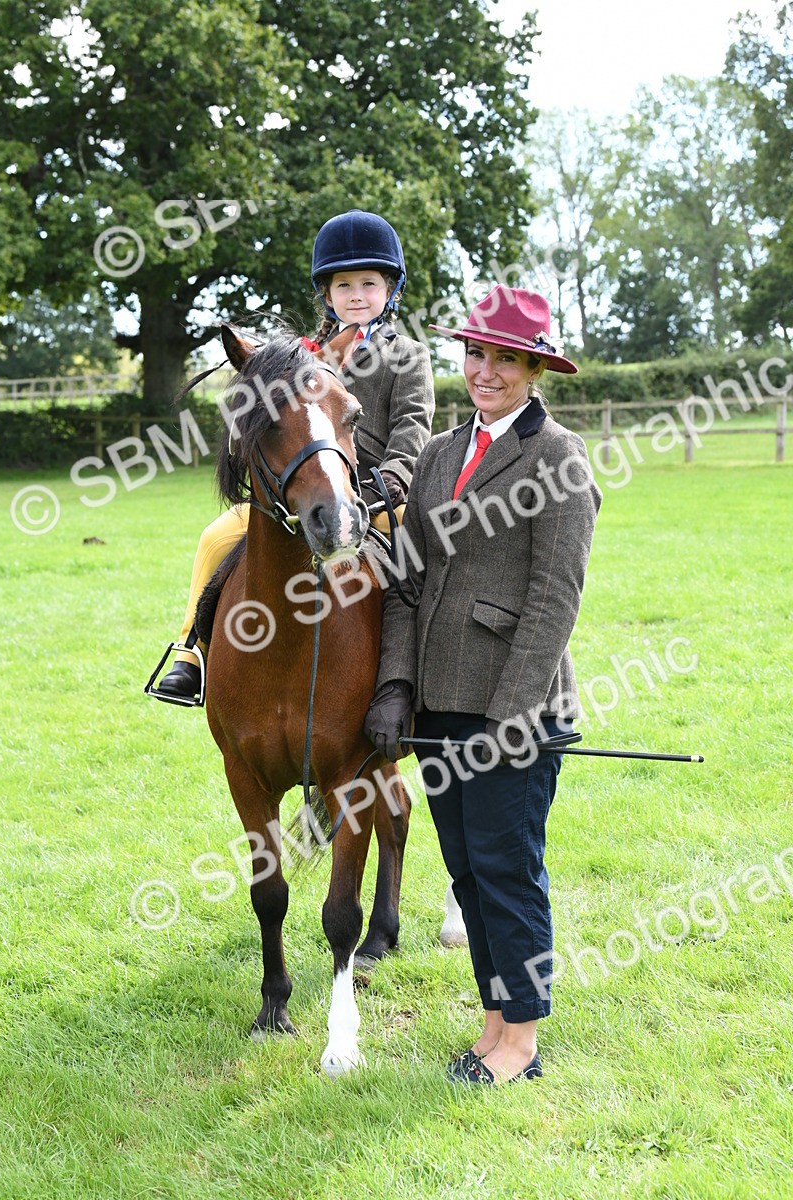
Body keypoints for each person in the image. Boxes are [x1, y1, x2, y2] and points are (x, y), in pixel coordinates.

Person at [363, 285, 602, 1085]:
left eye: (504, 359)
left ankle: (521, 1043)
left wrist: (510, 717)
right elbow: (406, 580)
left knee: (507, 869)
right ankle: (494, 1024)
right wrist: (397, 686)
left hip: (513, 711)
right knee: (467, 873)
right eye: (475, 354)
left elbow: (555, 598)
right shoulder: (437, 453)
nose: (485, 371)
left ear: (536, 370)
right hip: (438, 703)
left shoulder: (558, 456)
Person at [153, 209, 435, 702]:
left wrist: (391, 478)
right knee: (216, 536)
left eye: (369, 284)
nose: (356, 295)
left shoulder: (408, 355)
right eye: (343, 285)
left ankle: (420, 672)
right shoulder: (299, 356)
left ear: (390, 290)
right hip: (300, 488)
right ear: (326, 294)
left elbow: (412, 426)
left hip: (376, 492)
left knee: (417, 558)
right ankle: (190, 653)